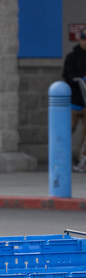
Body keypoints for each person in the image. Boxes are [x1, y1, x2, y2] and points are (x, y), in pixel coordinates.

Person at [64, 27, 86, 173]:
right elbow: (66, 74)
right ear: (79, 39)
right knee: (67, 130)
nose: (85, 42)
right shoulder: (72, 57)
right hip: (74, 103)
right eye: (83, 39)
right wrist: (77, 79)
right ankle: (61, 158)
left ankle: (81, 160)